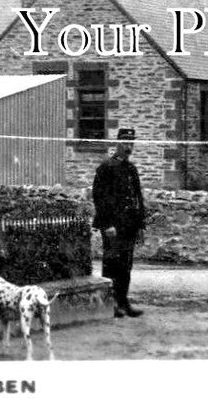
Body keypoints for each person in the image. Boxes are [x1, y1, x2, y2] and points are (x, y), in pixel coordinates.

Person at [92, 127, 147, 318]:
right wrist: (107, 225)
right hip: (113, 228)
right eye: (125, 143)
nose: (128, 147)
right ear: (117, 144)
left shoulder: (131, 169)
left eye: (131, 143)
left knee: (126, 266)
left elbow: (138, 198)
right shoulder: (106, 167)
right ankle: (111, 304)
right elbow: (99, 197)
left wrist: (140, 226)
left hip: (129, 226)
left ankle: (123, 301)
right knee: (112, 264)